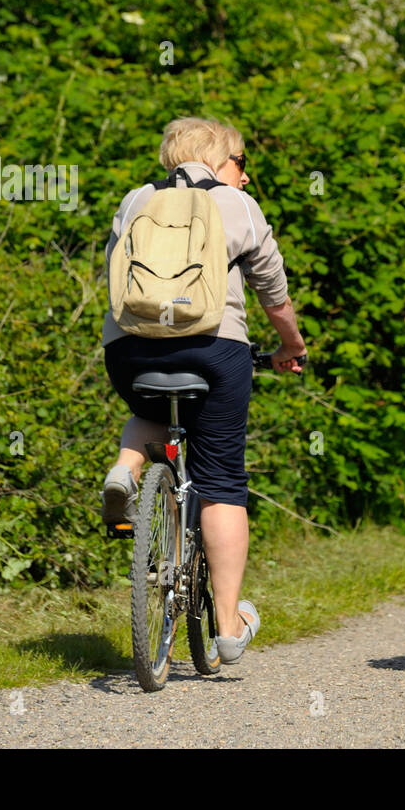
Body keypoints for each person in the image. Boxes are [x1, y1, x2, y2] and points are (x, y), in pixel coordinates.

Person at [99, 116, 307, 663]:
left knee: (148, 409)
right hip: (214, 352)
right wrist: (292, 345)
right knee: (220, 482)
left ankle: (126, 469)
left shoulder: (135, 198)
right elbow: (273, 291)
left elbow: (115, 273)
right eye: (241, 164)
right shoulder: (237, 206)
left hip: (130, 350)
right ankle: (229, 625)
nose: (245, 177)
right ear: (219, 160)